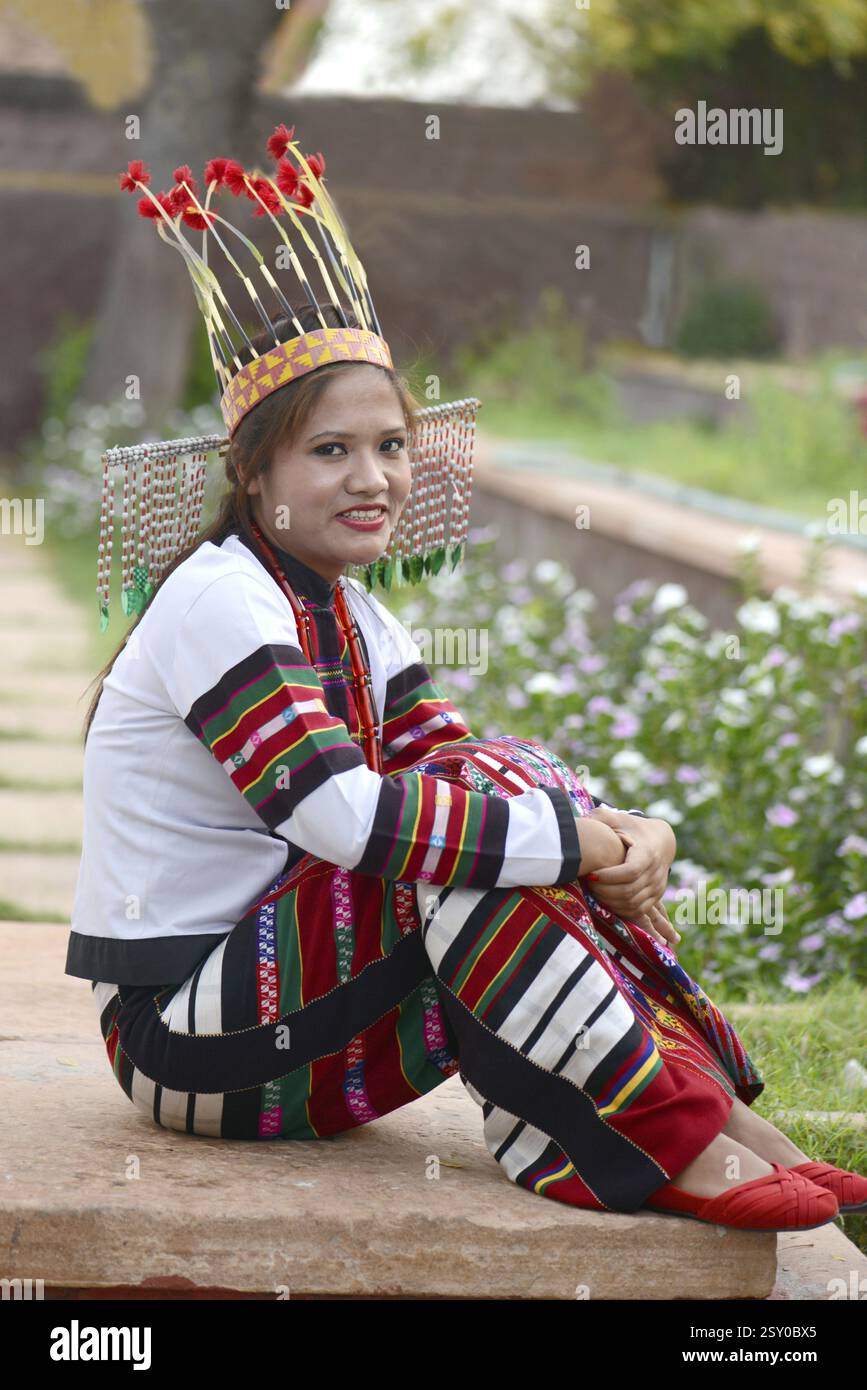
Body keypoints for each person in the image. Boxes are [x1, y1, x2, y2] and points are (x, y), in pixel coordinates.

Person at [66, 127, 866, 1235]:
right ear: (254, 473)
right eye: (330, 451)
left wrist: (631, 831)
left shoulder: (351, 607)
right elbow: (341, 816)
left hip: (293, 1001)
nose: (374, 477)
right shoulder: (220, 596)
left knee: (499, 790)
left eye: (390, 446)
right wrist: (582, 840)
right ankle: (659, 1132)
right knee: (456, 837)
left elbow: (466, 773)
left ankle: (700, 1111)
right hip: (184, 1040)